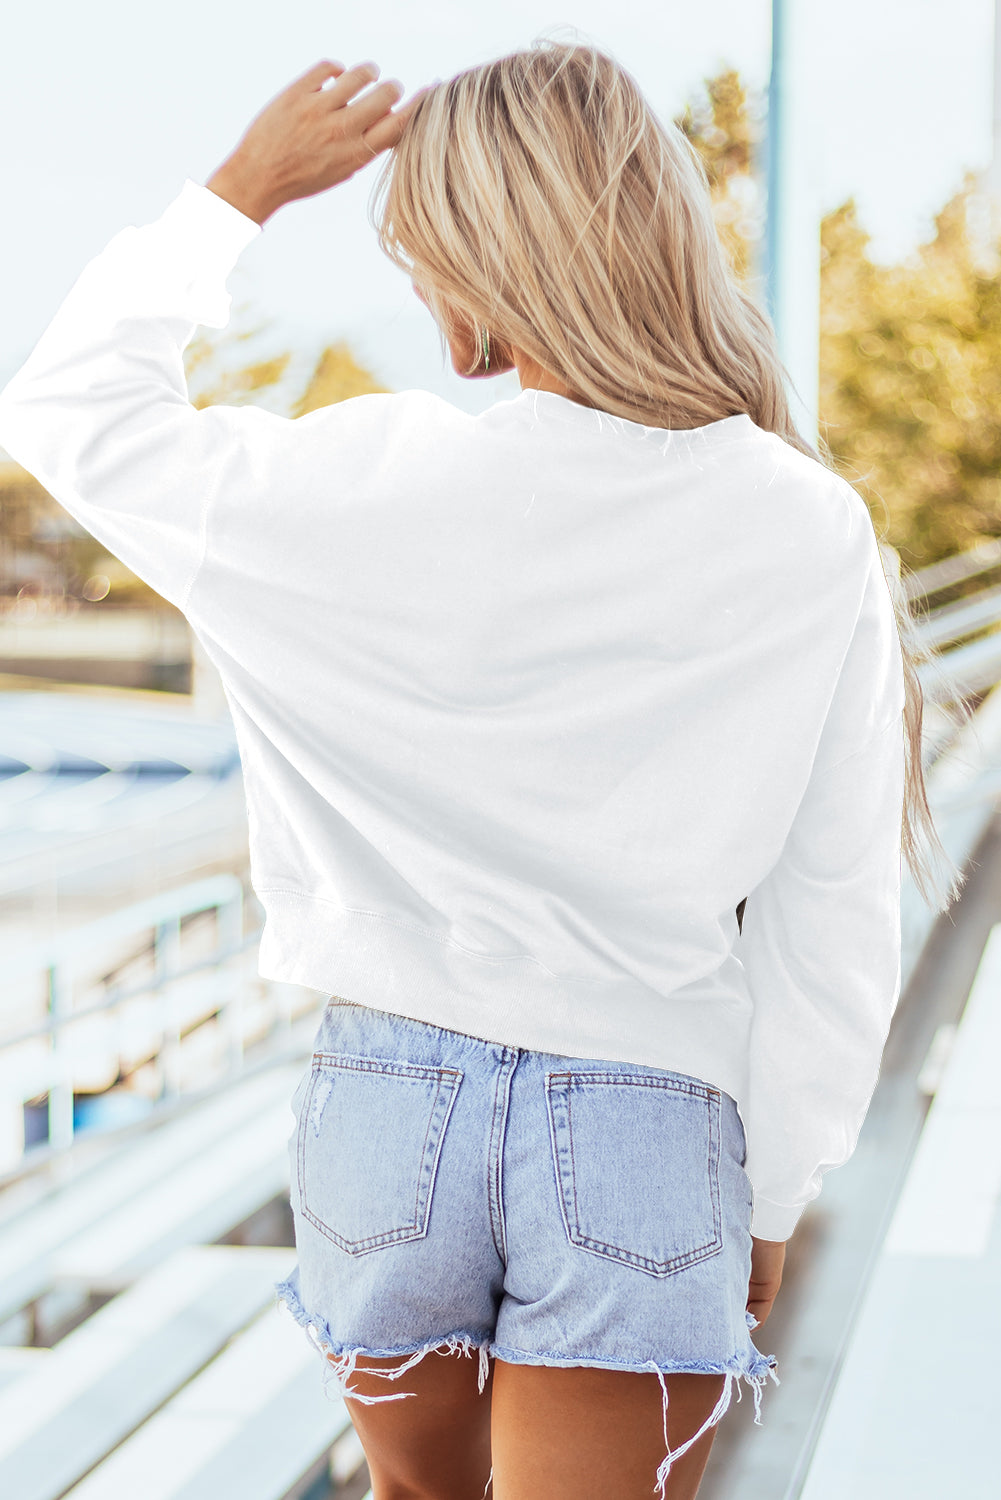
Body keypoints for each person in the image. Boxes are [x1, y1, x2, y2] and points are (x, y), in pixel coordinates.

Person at [0, 38, 961, 1500]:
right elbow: (831, 913)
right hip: (650, 1114)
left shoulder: (347, 485)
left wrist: (239, 192)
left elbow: (72, 408)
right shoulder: (800, 521)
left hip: (387, 1109)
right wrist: (776, 1186)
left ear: (472, 267)